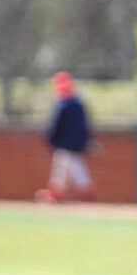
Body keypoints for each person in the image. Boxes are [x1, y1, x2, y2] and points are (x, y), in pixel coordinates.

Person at [37, 72, 94, 203]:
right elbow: (85, 127)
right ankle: (58, 192)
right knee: (66, 167)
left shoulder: (64, 104)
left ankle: (81, 191)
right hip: (75, 143)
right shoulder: (78, 103)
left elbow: (56, 124)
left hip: (65, 143)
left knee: (66, 167)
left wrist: (50, 139)